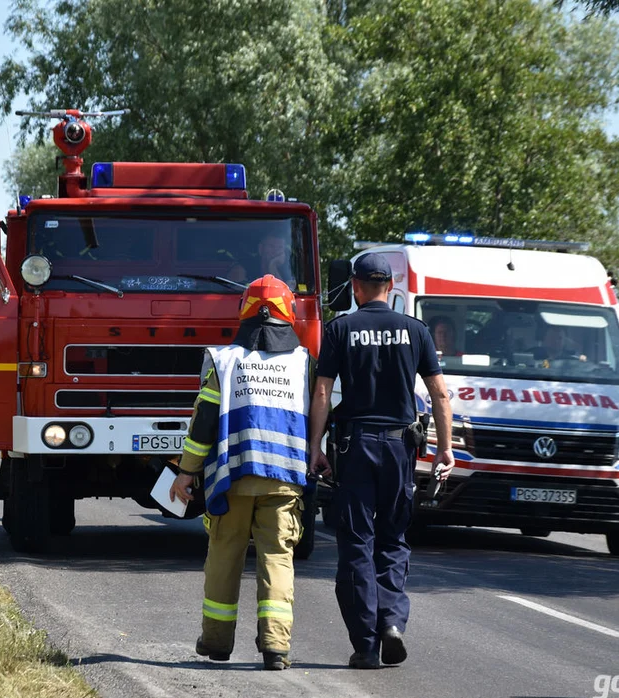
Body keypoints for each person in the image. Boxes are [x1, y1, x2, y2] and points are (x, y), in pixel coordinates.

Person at [308, 254, 454, 670]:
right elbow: (440, 394)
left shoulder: (340, 329)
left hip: (355, 448)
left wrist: (315, 447)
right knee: (393, 539)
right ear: (391, 287)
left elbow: (322, 394)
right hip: (399, 449)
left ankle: (366, 645)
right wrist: (444, 449)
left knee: (357, 542)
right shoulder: (416, 331)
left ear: (356, 287)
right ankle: (391, 622)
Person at [170, 274, 312, 672]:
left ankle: (216, 642)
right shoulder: (304, 363)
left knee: (224, 555)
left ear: (244, 313)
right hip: (284, 478)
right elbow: (319, 417)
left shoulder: (223, 360)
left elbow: (204, 424)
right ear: (289, 314)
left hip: (232, 478)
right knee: (277, 560)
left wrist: (186, 473)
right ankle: (275, 647)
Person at [227, 234, 294, 286]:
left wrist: (272, 265)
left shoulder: (289, 270)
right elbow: (234, 294)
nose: (275, 251)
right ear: (261, 248)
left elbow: (282, 294)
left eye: (280, 247)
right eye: (271, 246)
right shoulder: (243, 267)